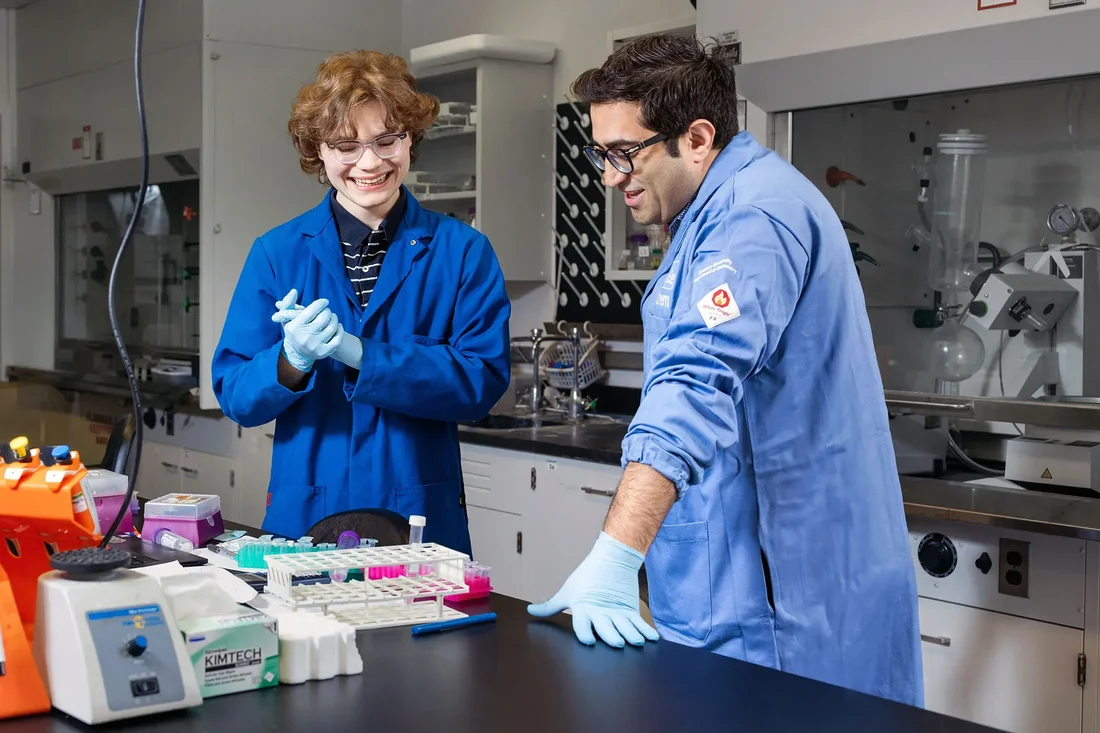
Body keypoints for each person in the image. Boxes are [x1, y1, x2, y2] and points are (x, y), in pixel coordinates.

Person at [527, 34, 923, 707]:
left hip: (786, 607)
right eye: (602, 153)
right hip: (743, 593)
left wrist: (618, 554)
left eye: (624, 153)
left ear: (699, 138)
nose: (609, 175)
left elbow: (693, 386)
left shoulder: (752, 219)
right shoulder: (713, 213)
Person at [211, 50, 511, 555]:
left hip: (418, 516)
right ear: (319, 153)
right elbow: (237, 395)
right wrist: (291, 360)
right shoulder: (278, 253)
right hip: (306, 512)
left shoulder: (463, 252)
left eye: (386, 140)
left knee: (421, 631)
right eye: (346, 146)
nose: (369, 163)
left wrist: (363, 356)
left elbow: (480, 381)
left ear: (410, 140)